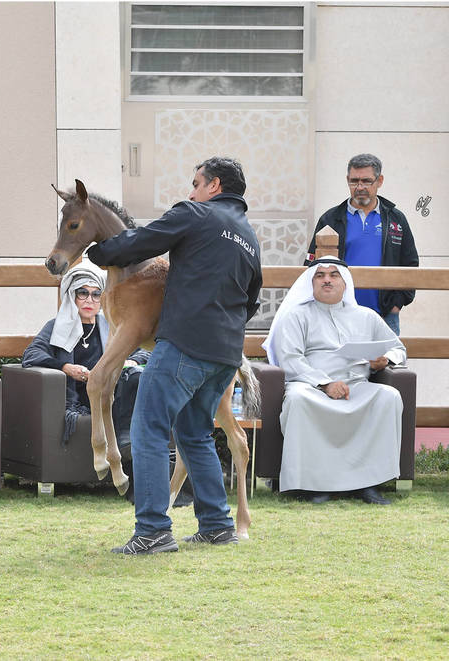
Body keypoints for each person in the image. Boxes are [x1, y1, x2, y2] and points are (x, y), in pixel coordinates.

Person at [86, 156, 262, 554]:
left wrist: (99, 254)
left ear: (214, 186)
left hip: (184, 344)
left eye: (196, 183)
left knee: (149, 427)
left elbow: (142, 241)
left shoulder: (196, 214)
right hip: (226, 352)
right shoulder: (248, 236)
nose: (191, 191)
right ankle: (217, 525)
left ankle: (152, 530)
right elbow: (251, 299)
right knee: (195, 434)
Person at [261, 257, 405, 505]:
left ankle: (368, 484)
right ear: (312, 283)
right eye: (320, 275)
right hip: (310, 387)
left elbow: (398, 348)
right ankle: (312, 486)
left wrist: (386, 360)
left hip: (356, 386)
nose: (327, 280)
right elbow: (290, 359)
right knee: (297, 401)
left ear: (345, 283)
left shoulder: (367, 316)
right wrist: (325, 384)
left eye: (333, 275)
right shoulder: (297, 315)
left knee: (388, 397)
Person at [21, 261, 163, 496]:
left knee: (136, 375)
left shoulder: (112, 325)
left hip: (113, 396)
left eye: (96, 294)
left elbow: (143, 348)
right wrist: (66, 367)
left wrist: (129, 361)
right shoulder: (57, 326)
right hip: (78, 399)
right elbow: (31, 354)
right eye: (83, 293)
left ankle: (127, 444)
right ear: (72, 297)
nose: (90, 300)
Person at [306, 153, 418, 335]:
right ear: (347, 180)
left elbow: (410, 263)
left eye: (366, 181)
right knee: (340, 363)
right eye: (354, 181)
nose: (359, 187)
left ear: (379, 181)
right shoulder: (330, 219)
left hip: (384, 316)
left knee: (386, 362)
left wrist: (398, 303)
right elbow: (311, 264)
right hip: (338, 315)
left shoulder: (395, 219)